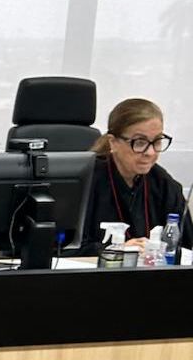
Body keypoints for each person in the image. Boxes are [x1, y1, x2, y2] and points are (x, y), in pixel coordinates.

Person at [81, 98, 191, 253]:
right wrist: (115, 250)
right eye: (140, 142)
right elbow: (63, 248)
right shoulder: (86, 182)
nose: (150, 152)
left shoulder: (164, 184)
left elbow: (184, 247)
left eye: (157, 141)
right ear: (113, 142)